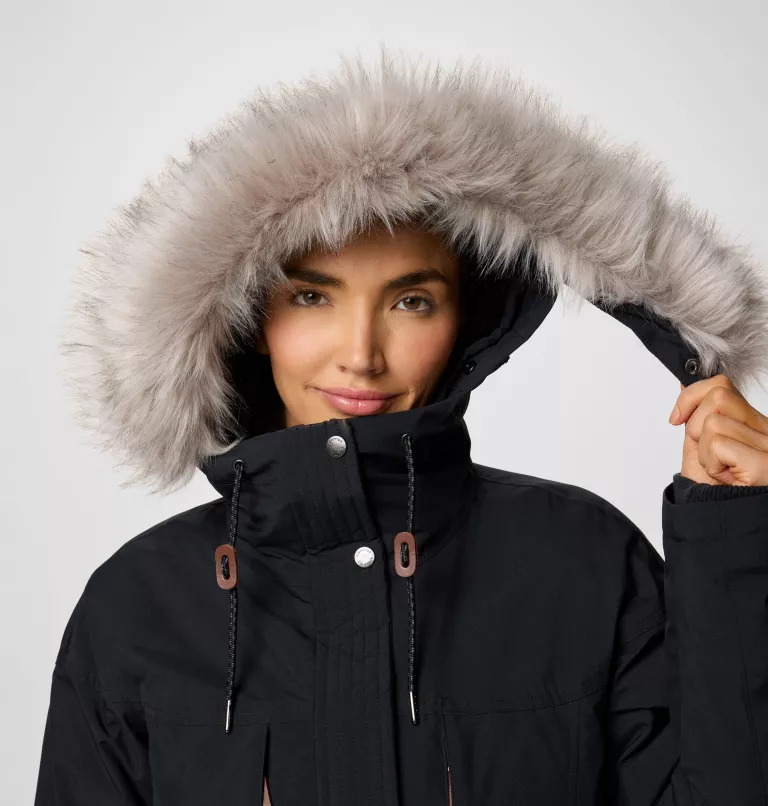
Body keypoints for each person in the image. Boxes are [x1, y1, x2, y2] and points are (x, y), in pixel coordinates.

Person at [34, 49, 768, 806]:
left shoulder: (586, 563)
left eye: (411, 301)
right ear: (249, 317)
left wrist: (731, 540)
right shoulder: (140, 605)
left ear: (465, 320)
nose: (361, 355)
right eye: (312, 297)